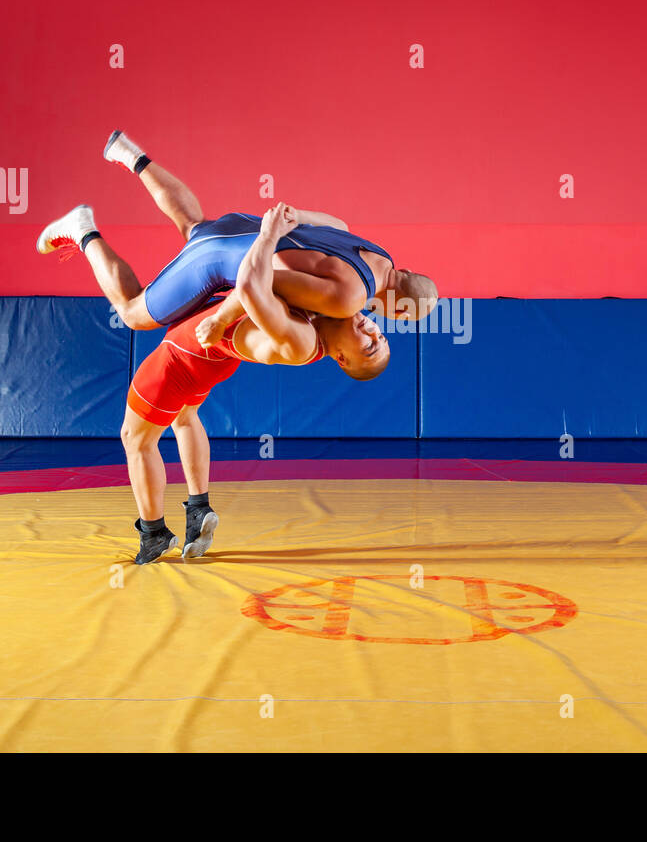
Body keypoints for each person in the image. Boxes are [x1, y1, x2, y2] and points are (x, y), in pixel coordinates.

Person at [125, 204, 386, 563]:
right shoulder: (322, 310)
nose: (372, 328)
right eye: (380, 333)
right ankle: (198, 507)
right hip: (212, 360)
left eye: (370, 345)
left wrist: (270, 234)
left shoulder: (304, 339)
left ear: (342, 359)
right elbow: (336, 229)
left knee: (135, 439)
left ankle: (153, 533)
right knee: (184, 418)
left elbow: (251, 287)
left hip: (182, 354)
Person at [35, 130, 438, 337]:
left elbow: (338, 226)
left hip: (244, 227)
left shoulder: (381, 256)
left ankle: (129, 153)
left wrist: (294, 214)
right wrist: (221, 319)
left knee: (196, 226)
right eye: (402, 317)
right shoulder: (352, 297)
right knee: (133, 315)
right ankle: (82, 229)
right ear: (399, 309)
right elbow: (258, 284)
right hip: (221, 260)